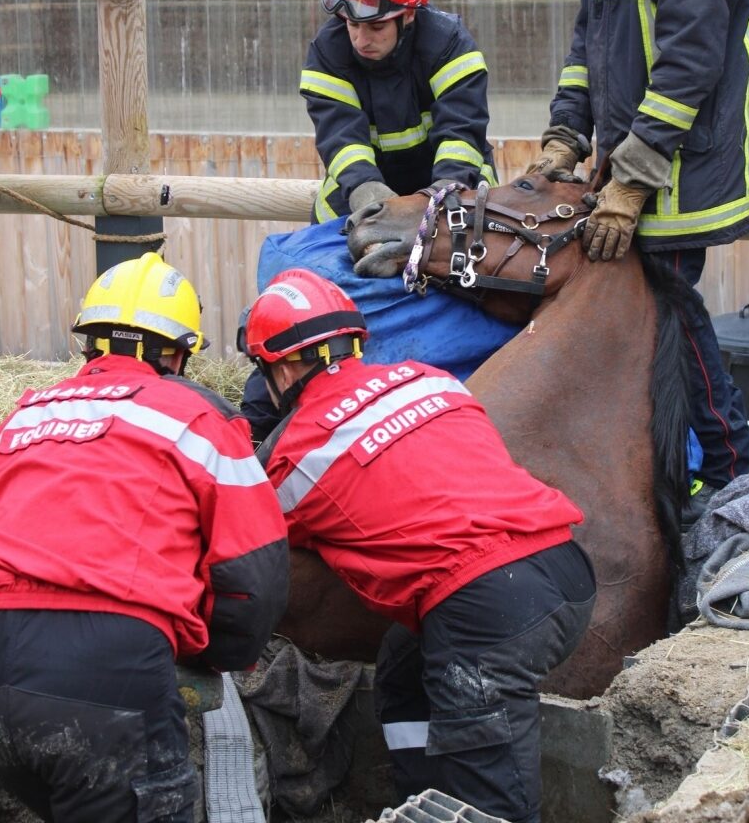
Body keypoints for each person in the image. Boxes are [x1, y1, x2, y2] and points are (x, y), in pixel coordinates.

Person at [242, 268, 596, 823]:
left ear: (283, 366)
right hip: (565, 570)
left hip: (486, 612)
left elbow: (246, 538)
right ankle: (416, 803)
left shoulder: (296, 457)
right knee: (403, 674)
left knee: (492, 805)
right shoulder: (432, 381)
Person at [0, 252, 290, 822]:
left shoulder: (25, 415)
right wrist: (216, 657)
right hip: (109, 664)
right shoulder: (199, 417)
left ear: (90, 344)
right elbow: (255, 572)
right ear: (180, 353)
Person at [532, 0, 749, 511]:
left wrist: (628, 184)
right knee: (655, 323)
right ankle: (677, 481)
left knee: (673, 324)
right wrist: (565, 134)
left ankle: (732, 481)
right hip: (635, 167)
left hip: (681, 174)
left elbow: (689, 64)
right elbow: (589, 41)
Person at [301, 0, 498, 225]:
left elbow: (461, 133)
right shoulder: (329, 52)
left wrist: (438, 201)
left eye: (376, 27)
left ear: (408, 15)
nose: (360, 39)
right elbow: (340, 137)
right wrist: (366, 191)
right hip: (360, 190)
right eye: (352, 23)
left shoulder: (449, 47)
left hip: (452, 183)